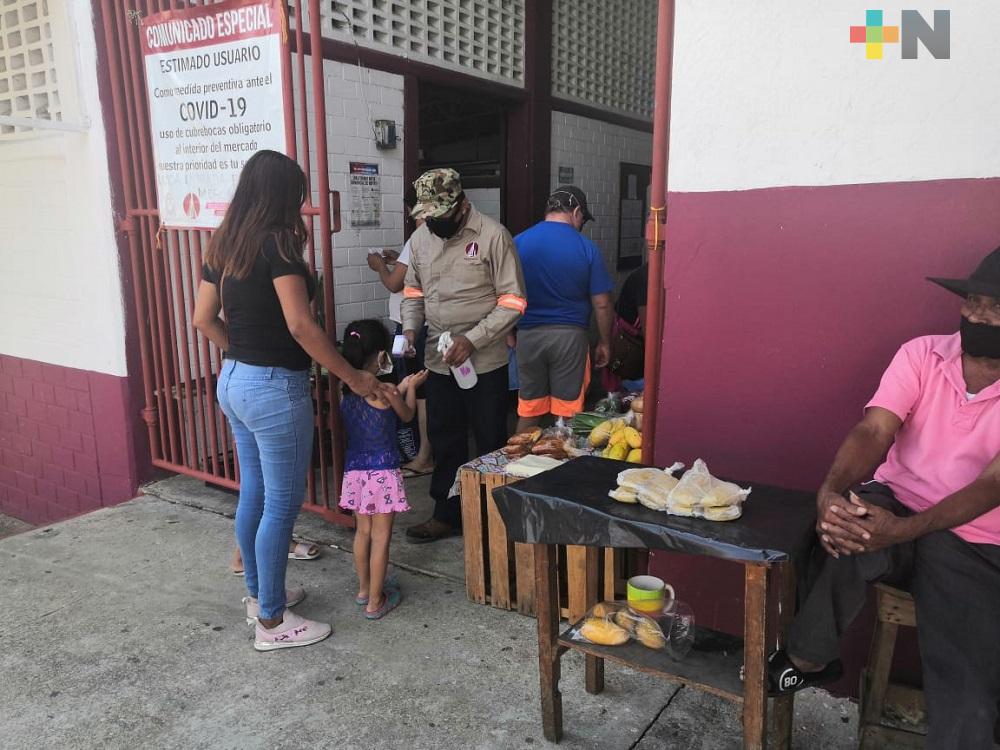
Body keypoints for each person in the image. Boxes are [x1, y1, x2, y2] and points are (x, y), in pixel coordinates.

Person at [767, 246, 1000, 749]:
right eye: (974, 302)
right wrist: (830, 492)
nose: (978, 315)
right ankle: (809, 658)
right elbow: (875, 429)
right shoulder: (924, 354)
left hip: (973, 539)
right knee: (841, 525)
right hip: (896, 501)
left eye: (996, 308)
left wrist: (906, 531)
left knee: (969, 690)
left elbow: (992, 485)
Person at [193, 150, 389, 651]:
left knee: (255, 493)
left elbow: (202, 320)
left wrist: (242, 353)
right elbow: (301, 326)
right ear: (285, 195)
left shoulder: (224, 244)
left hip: (233, 380)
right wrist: (354, 378)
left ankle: (260, 597)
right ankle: (274, 624)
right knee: (280, 505)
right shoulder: (277, 244)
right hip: (274, 387)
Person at [400, 168, 527, 543]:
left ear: (462, 206)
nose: (433, 222)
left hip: (484, 361)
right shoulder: (421, 239)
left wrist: (472, 339)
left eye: (440, 215)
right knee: (444, 436)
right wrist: (410, 329)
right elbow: (412, 292)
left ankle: (490, 516)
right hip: (439, 361)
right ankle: (446, 513)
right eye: (428, 216)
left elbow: (514, 301)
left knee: (488, 437)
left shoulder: (493, 236)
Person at [338, 319, 428, 618]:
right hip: (384, 473)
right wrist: (411, 387)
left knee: (362, 532)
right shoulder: (385, 392)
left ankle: (364, 589)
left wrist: (398, 389)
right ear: (381, 355)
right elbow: (407, 414)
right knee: (382, 538)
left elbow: (381, 400)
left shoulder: (346, 389)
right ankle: (377, 601)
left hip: (355, 471)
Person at [513, 186, 614, 432]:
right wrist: (605, 342)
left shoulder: (517, 242)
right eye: (582, 220)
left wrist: (508, 333)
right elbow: (602, 303)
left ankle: (515, 466)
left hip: (527, 337)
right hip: (570, 338)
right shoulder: (586, 247)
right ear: (576, 212)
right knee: (567, 415)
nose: (581, 225)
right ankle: (562, 466)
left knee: (529, 409)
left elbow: (500, 292)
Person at [367, 185, 434, 477]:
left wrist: (381, 267)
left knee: (419, 392)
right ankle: (418, 451)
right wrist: (396, 260)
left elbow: (396, 284)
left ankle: (423, 456)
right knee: (413, 386)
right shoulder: (425, 238)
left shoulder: (420, 236)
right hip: (407, 326)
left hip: (414, 328)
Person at [603, 262, 648, 393]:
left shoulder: (643, 276)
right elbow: (650, 333)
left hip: (633, 356)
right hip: (631, 358)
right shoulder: (645, 279)